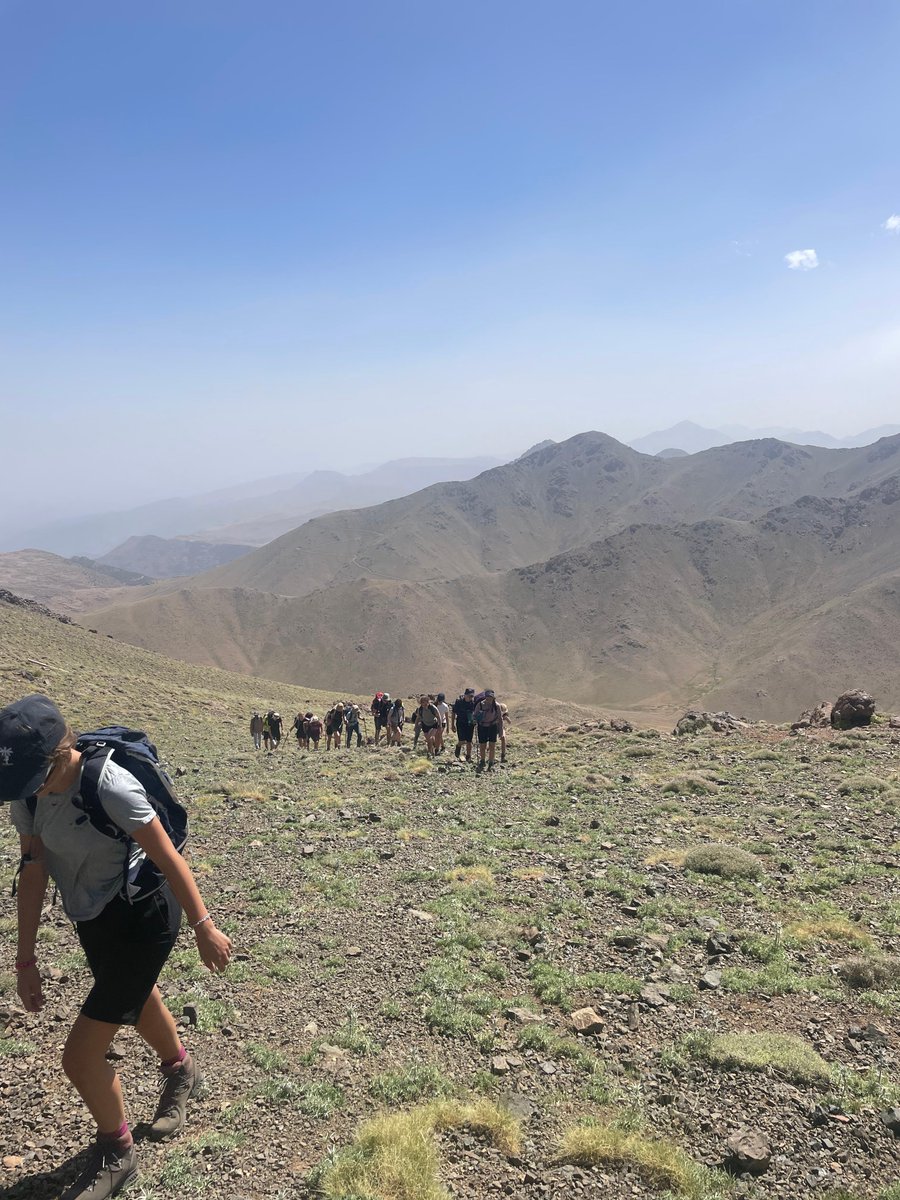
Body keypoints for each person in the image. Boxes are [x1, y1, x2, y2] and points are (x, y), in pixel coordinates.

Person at [1, 694, 232, 1200]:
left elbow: (168, 857)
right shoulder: (26, 795)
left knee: (79, 1059)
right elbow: (34, 869)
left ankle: (117, 1151)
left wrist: (203, 926)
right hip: (94, 915)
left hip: (146, 915)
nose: (21, 793)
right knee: (137, 997)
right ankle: (181, 1070)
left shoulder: (109, 785)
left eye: (28, 780)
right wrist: (25, 960)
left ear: (58, 758)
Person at [473, 689, 503, 773]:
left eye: (491, 697)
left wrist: (500, 731)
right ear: (485, 697)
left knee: (492, 745)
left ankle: (490, 762)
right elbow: (474, 715)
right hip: (482, 726)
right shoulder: (480, 704)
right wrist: (475, 720)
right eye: (488, 697)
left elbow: (500, 719)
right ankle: (482, 761)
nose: (489, 699)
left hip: (492, 726)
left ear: (493, 698)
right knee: (482, 745)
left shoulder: (497, 706)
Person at [452, 688, 477, 761]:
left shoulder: (473, 703)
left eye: (472, 696)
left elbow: (476, 713)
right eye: (469, 696)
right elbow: (453, 712)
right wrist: (452, 724)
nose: (470, 697)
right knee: (462, 741)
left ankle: (468, 756)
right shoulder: (459, 702)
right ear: (465, 695)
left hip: (470, 724)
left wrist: (475, 720)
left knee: (469, 741)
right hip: (460, 723)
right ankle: (458, 746)